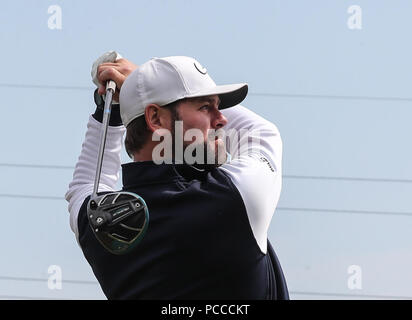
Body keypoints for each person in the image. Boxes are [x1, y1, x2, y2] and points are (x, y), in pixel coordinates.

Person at [65, 53, 289, 300]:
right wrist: (136, 83)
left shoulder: (101, 222)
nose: (222, 119)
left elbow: (85, 186)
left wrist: (115, 109)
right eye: (205, 107)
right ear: (155, 118)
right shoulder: (234, 196)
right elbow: (260, 132)